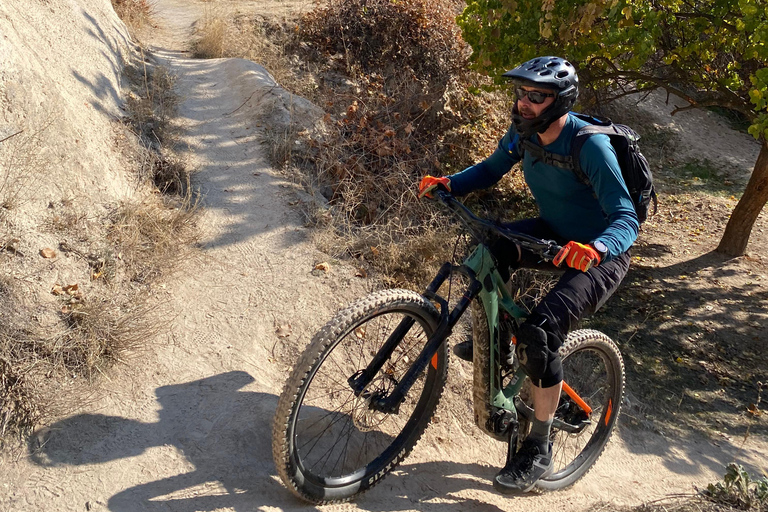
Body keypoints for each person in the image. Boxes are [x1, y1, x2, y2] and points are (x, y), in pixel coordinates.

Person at [418, 56, 638, 494]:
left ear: (560, 102)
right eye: (521, 93)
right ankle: (497, 345)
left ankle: (538, 445)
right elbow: (489, 169)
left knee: (541, 332)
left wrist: (597, 247)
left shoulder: (588, 146)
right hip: (554, 234)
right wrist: (450, 183)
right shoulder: (524, 134)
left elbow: (626, 216)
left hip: (599, 254)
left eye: (536, 96)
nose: (524, 102)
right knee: (487, 254)